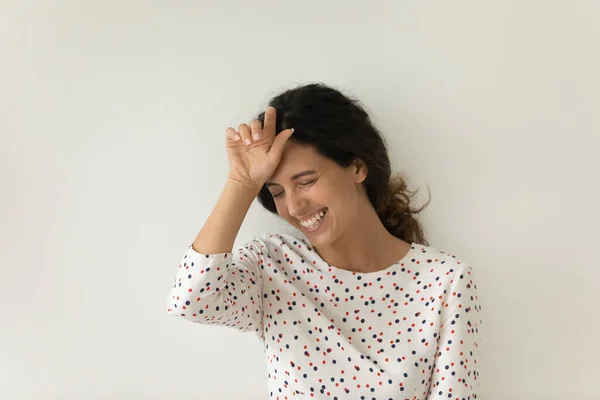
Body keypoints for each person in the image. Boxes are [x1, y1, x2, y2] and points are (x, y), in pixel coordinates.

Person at [166, 83, 482, 399]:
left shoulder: (444, 281)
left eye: (306, 181)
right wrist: (243, 182)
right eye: (277, 192)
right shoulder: (272, 265)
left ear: (357, 167)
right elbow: (192, 301)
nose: (294, 206)